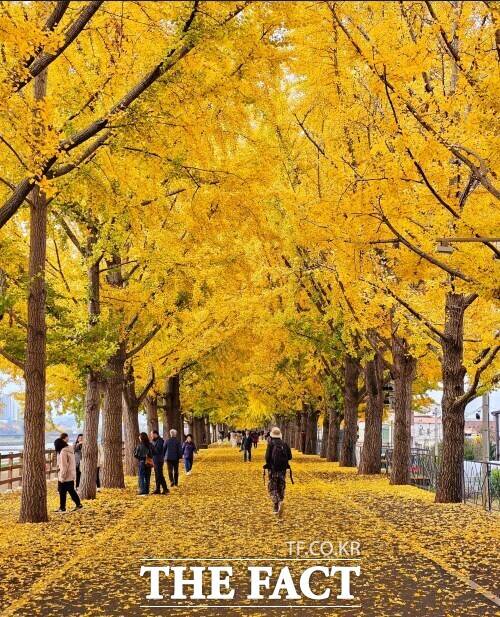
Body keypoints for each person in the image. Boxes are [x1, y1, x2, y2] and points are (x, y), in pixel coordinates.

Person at [264, 427, 292, 515]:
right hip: (282, 470)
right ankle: (281, 501)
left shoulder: (270, 444)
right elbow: (290, 457)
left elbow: (267, 457)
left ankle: (276, 504)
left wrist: (269, 464)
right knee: (281, 486)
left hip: (272, 470)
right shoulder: (284, 444)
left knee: (273, 487)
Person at [54, 433, 83, 513]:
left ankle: (62, 508)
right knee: (71, 490)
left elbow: (64, 466)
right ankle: (78, 505)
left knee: (62, 491)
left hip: (65, 475)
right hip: (71, 474)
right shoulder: (69, 449)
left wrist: (62, 477)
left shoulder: (63, 452)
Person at [150, 430, 169, 495]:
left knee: (160, 475)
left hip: (159, 460)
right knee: (157, 475)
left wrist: (151, 449)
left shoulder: (160, 441)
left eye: (152, 435)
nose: (151, 436)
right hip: (155, 460)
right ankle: (158, 489)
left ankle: (165, 489)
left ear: (155, 434)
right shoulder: (153, 441)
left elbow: (158, 450)